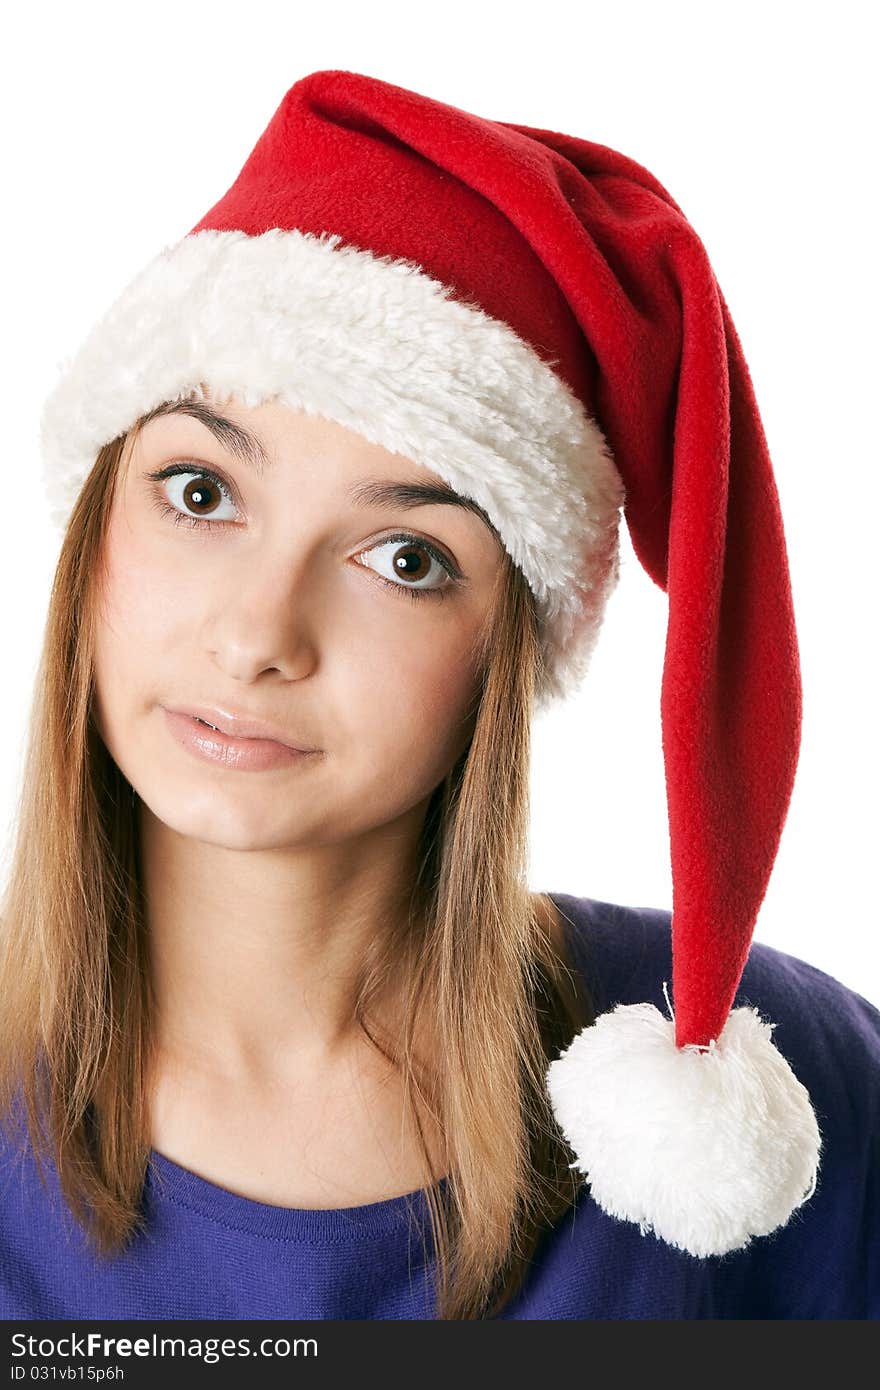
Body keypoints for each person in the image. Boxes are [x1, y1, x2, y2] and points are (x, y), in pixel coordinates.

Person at [1, 69, 877, 1322]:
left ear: (506, 649)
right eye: (201, 492)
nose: (257, 635)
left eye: (405, 559)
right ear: (95, 530)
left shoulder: (781, 1090)